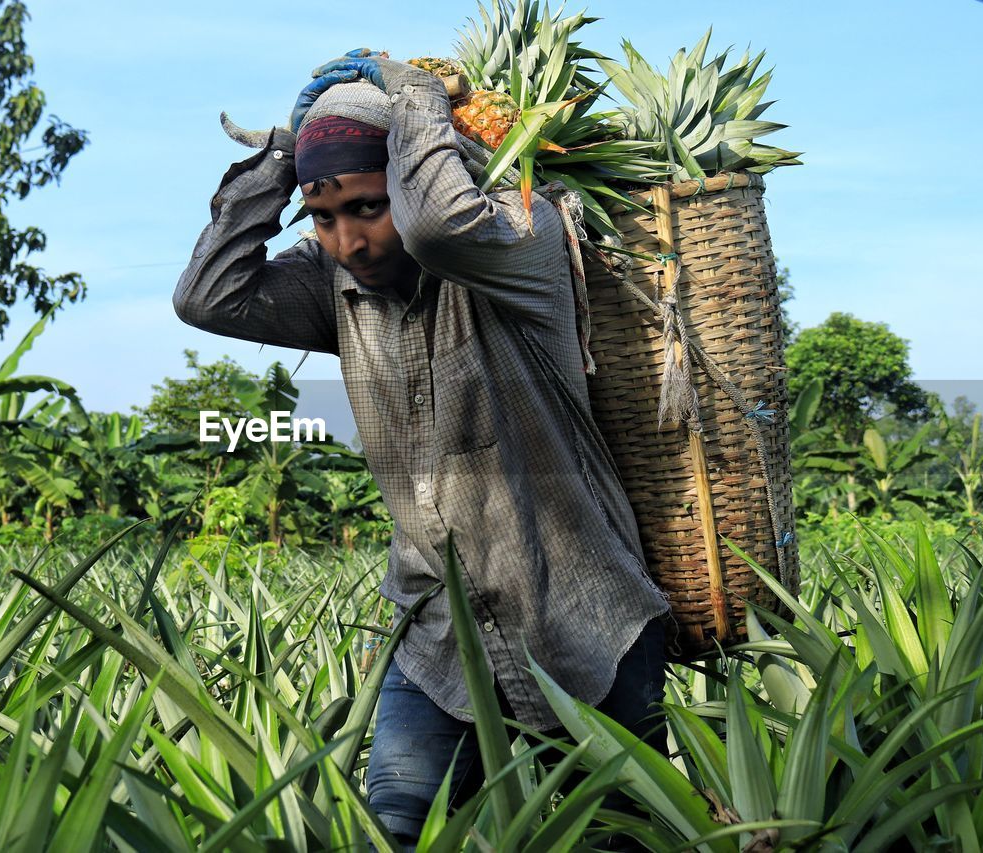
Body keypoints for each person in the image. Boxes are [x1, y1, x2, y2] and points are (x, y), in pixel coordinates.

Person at [173, 49, 672, 849]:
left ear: (408, 177)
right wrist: (281, 156)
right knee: (396, 834)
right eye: (325, 217)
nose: (348, 241)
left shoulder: (522, 237)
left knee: (615, 840)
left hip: (583, 623)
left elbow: (440, 225)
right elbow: (207, 295)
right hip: (439, 640)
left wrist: (410, 92)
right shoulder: (335, 288)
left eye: (369, 206)